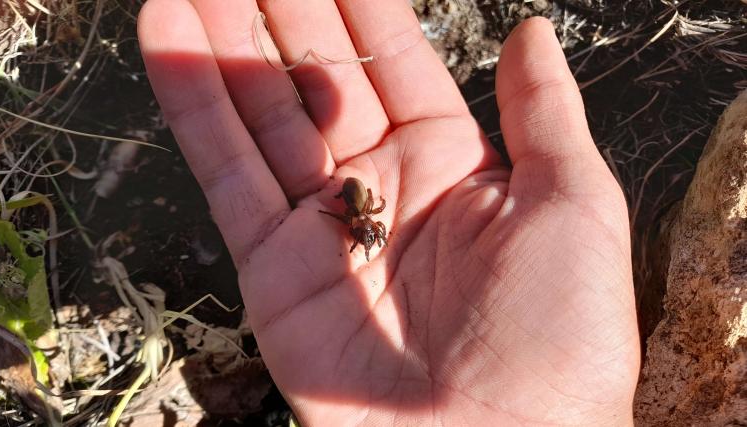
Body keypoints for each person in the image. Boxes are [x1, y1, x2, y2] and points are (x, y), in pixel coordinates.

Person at [138, 0, 640, 425]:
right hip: (350, 194)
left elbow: (360, 219)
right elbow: (353, 218)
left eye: (365, 232)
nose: (364, 236)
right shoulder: (353, 218)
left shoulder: (360, 220)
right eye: (365, 232)